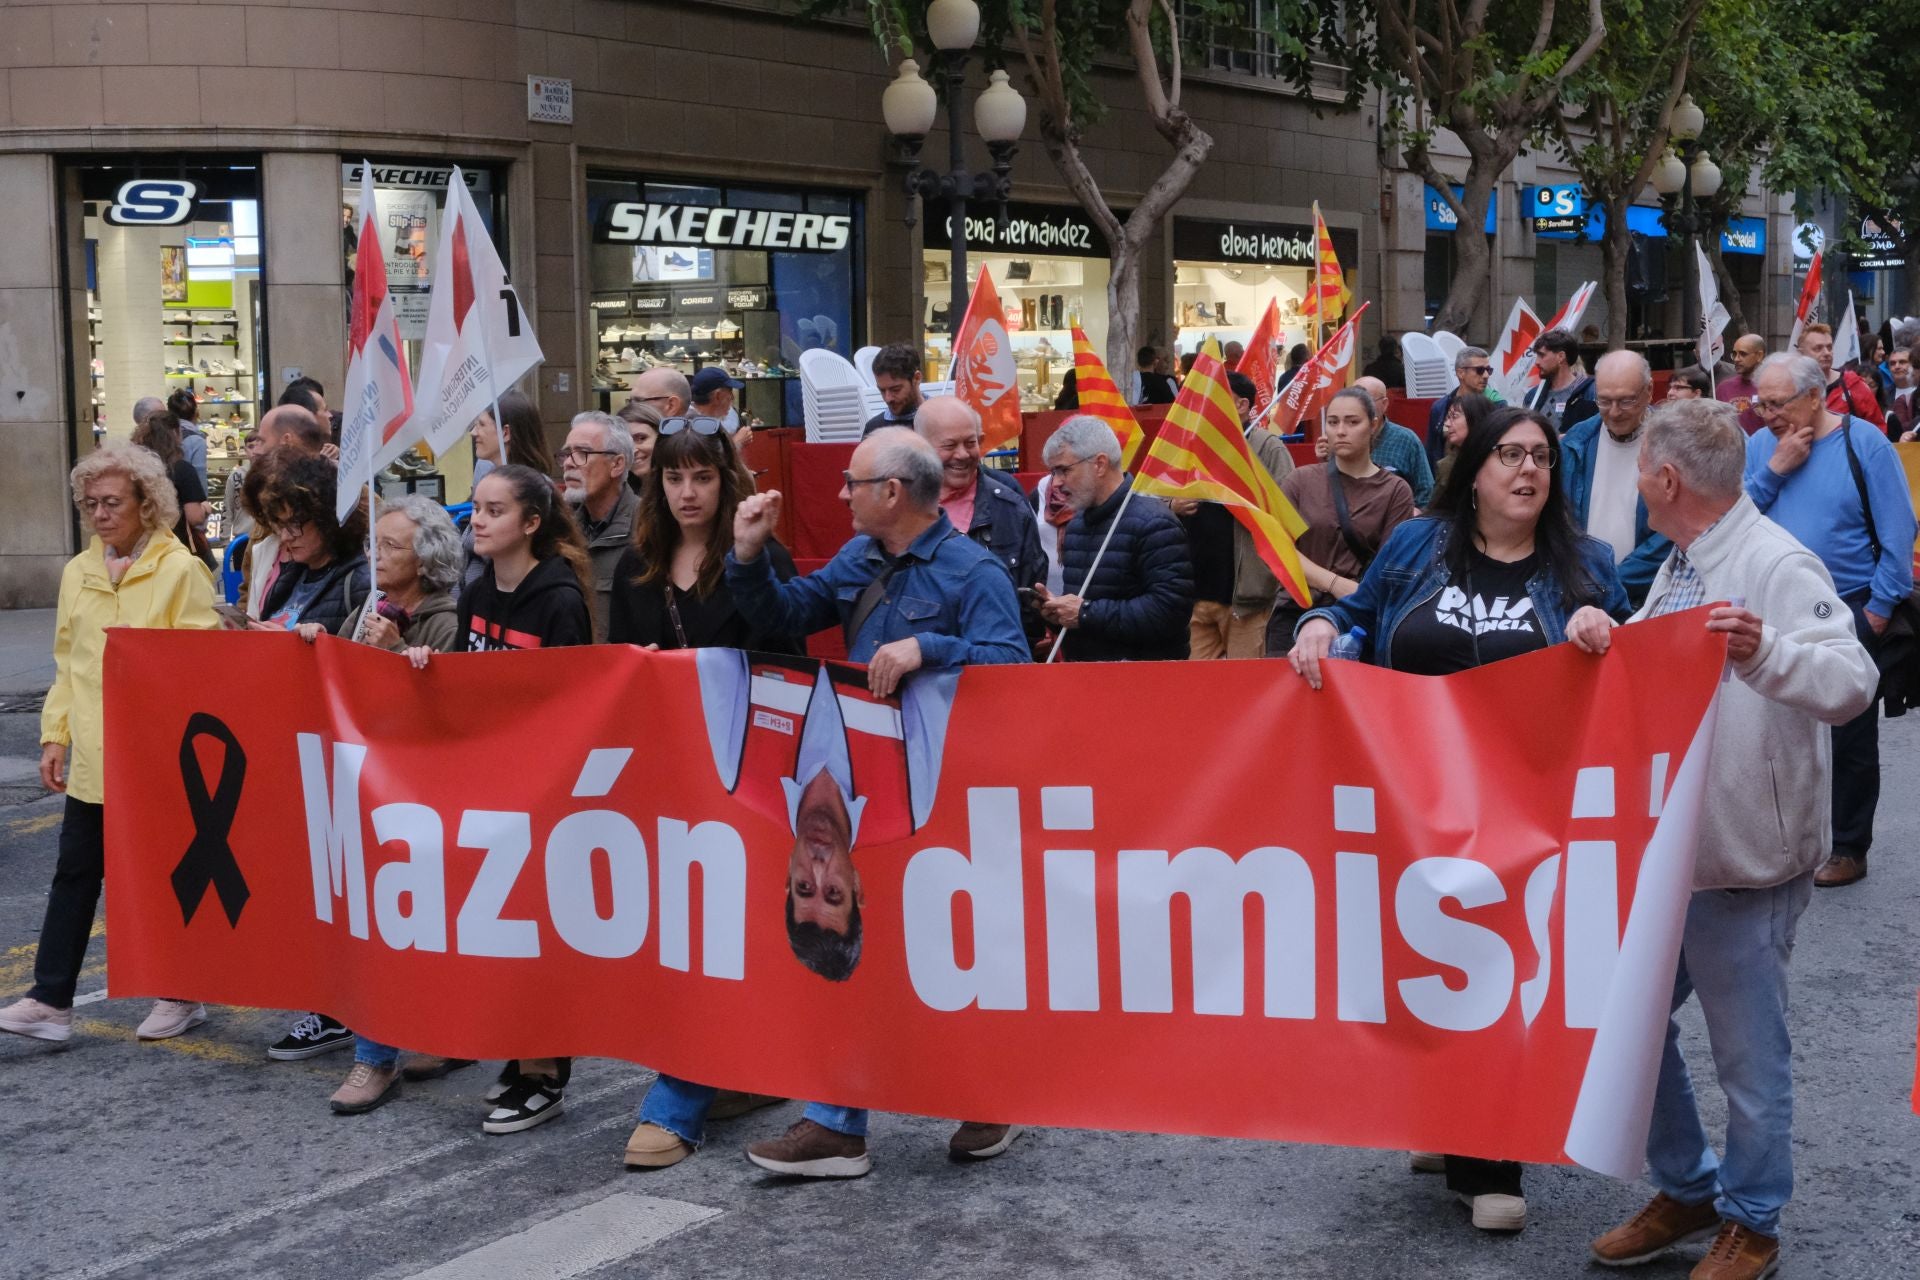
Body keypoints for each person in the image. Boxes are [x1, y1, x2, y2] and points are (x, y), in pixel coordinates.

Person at [1284, 405, 1628, 1233]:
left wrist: (1607, 631)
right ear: (1474, 471)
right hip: (1415, 797)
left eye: (1541, 457)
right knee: (1425, 965)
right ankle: (1446, 1115)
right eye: (1509, 454)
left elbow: (1633, 675)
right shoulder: (1416, 546)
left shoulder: (1589, 565)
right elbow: (1363, 615)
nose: (1528, 470)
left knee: (1501, 970)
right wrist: (1322, 622)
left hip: (1530, 808)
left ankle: (1492, 1154)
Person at [1581, 398, 1876, 1280]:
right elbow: (1658, 672)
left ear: (1666, 481)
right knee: (1620, 1021)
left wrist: (1765, 652)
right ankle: (1689, 1187)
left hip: (1741, 861)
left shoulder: (1774, 559)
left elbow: (1852, 679)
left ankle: (1754, 1221)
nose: (1635, 481)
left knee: (1750, 1058)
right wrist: (1604, 638)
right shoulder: (1683, 559)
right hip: (1670, 855)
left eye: (1639, 469)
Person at [727, 428, 1027, 1176]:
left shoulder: (972, 572)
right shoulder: (860, 558)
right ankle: (837, 1122)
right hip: (868, 791)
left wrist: (933, 650)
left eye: (853, 483)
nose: (841, 493)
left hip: (945, 797)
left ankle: (986, 1093)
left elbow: (1016, 670)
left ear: (892, 493)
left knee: (943, 948)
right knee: (857, 956)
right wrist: (746, 555)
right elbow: (784, 615)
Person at [0, 446, 219, 1045]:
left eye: (112, 502)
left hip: (158, 758)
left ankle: (181, 993)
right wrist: (55, 733)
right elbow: (68, 663)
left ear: (147, 504)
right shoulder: (79, 571)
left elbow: (197, 670)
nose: (99, 514)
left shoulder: (180, 570)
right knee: (74, 873)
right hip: (98, 757)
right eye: (90, 503)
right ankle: (50, 1001)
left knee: (158, 875)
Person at [409, 464, 594, 1133]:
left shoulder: (559, 600)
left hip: (543, 790)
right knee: (499, 928)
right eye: (477, 510)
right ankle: (520, 1057)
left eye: (492, 511)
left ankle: (547, 1073)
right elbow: (471, 682)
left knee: (537, 933)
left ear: (532, 524)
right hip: (492, 786)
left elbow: (571, 703)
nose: (477, 521)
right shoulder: (478, 590)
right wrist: (431, 670)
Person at [290, 496, 466, 1113]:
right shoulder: (371, 609)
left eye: (390, 548)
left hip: (412, 802)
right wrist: (315, 641)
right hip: (363, 790)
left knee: (393, 927)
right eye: (375, 544)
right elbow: (339, 681)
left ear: (426, 560)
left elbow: (430, 721)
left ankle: (377, 1058)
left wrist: (393, 654)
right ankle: (387, 1045)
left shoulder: (445, 620)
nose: (376, 557)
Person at [1745, 352, 1916, 888]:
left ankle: (1847, 844)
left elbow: (1897, 530)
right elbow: (1738, 522)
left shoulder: (1862, 443)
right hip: (1775, 607)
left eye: (1778, 403)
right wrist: (1776, 469)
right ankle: (1783, 837)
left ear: (1816, 397)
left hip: (1850, 607)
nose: (1767, 414)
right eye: (1761, 403)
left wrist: (1881, 610)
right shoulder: (1758, 447)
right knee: (1773, 729)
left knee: (1848, 732)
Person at [608, 415, 798, 653]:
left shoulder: (764, 558)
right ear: (660, 483)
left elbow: (790, 670)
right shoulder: (636, 563)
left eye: (703, 478)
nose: (687, 493)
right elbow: (618, 659)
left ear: (725, 481)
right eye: (674, 478)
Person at [1267, 389, 1416, 650]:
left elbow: (1391, 564)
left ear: (1373, 425)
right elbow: (1278, 550)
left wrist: (1354, 593)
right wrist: (1335, 583)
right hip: (1294, 612)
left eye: (1352, 421)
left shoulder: (1395, 490)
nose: (1341, 430)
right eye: (1333, 422)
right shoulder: (1300, 480)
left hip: (1358, 616)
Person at [1037, 415, 1194, 661]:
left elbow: (1170, 611)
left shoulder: (1155, 523)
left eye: (1064, 470)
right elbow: (1082, 612)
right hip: (1088, 678)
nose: (1056, 482)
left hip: (1144, 682)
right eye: (1053, 471)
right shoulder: (1077, 524)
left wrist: (1086, 613)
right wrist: (1058, 614)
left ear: (1099, 464)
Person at [1175, 371, 1295, 659]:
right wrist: (1172, 505)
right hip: (1197, 593)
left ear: (1242, 406)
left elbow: (1288, 509)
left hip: (1246, 596)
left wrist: (1247, 500)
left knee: (1245, 686)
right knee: (1198, 691)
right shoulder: (1190, 445)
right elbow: (1159, 493)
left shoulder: (1267, 447)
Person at [1560, 350, 1673, 607]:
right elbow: (1562, 518)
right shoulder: (1578, 440)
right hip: (1580, 595)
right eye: (1604, 401)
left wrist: (1608, 581)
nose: (1614, 412)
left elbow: (1672, 534)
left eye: (1626, 401)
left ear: (1649, 390)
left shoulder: (1674, 443)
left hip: (1646, 598)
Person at [914, 396, 1046, 608]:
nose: (962, 454)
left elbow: (1032, 594)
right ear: (920, 446)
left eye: (970, 443)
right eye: (949, 445)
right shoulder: (898, 505)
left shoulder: (1009, 505)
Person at [253, 455, 371, 636]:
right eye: (281, 525)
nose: (285, 537)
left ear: (326, 519)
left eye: (294, 524)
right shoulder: (291, 573)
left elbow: (361, 658)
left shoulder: (359, 582)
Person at [560, 409, 638, 641]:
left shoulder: (649, 528)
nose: (568, 464)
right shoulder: (561, 531)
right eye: (566, 454)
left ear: (617, 464)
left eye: (582, 453)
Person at [130, 409, 211, 569]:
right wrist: (205, 508)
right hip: (176, 545)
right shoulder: (182, 469)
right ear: (175, 434)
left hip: (139, 545)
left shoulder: (134, 469)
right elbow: (195, 517)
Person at [1356, 374, 1434, 506]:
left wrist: (1414, 517)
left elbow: (1426, 492)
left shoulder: (1406, 439)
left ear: (1384, 404)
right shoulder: (1343, 437)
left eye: (1366, 400)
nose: (1358, 406)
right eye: (1353, 399)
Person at [1797, 322, 1887, 430]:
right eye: (1818, 348)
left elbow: (1878, 429)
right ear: (1801, 353)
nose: (1826, 353)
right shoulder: (1788, 387)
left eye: (1829, 347)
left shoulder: (1854, 385)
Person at [1425, 346, 1500, 465]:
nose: (1486, 375)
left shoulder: (1497, 405)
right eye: (1480, 370)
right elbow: (1432, 451)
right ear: (1461, 373)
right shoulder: (1441, 407)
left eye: (1488, 370)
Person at [1522, 329, 1597, 432]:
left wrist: (1570, 439)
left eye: (1542, 355)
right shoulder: (1533, 396)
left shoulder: (1589, 393)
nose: (1537, 362)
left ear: (1561, 356)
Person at [1432, 390, 1492, 493]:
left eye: (1454, 417)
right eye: (1447, 417)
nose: (1446, 424)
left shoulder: (1498, 460)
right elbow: (1437, 506)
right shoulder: (1446, 466)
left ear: (1474, 418)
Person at [863, 342, 924, 435]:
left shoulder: (941, 420)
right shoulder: (873, 429)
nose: (888, 398)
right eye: (882, 390)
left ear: (916, 378)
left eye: (895, 389)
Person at [690, 364, 752, 449]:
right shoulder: (691, 427)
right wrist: (737, 442)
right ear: (718, 396)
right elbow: (709, 460)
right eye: (730, 394)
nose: (732, 400)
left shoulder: (713, 417)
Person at [1715, 334, 1766, 433]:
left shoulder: (1772, 387)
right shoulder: (1724, 388)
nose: (1736, 359)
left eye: (1743, 354)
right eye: (1734, 354)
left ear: (1759, 356)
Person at [617, 397, 663, 497]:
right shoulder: (618, 494)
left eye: (641, 438)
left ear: (661, 438)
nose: (633, 450)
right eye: (625, 442)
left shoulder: (678, 488)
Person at [165, 388, 209, 489]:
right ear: (196, 413)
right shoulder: (196, 441)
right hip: (187, 498)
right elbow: (199, 477)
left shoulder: (162, 434)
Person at [1885, 341, 1917, 438]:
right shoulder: (1883, 394)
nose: (1897, 366)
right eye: (1892, 363)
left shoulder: (1917, 392)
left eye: (1902, 362)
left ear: (1912, 364)